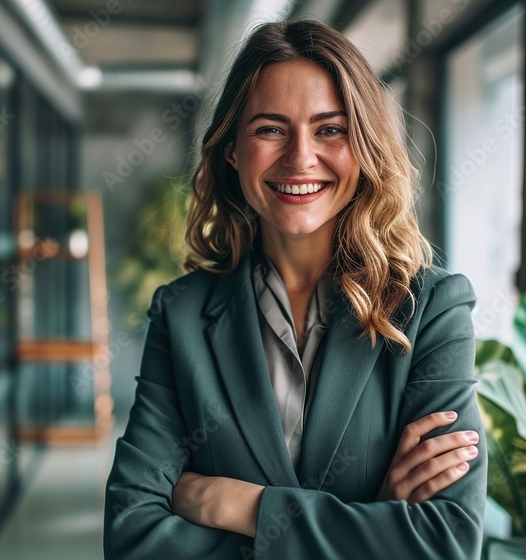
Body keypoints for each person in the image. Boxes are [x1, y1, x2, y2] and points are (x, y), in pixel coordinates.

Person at [104, 19, 487, 560]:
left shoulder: (430, 310)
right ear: (233, 149)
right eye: (270, 129)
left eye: (330, 129)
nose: (300, 156)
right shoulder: (182, 314)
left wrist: (241, 507)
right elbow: (131, 539)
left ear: (365, 146)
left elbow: (446, 541)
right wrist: (369, 527)